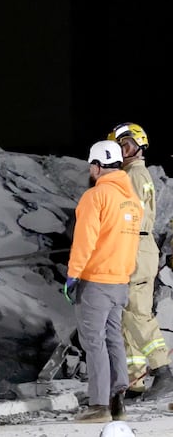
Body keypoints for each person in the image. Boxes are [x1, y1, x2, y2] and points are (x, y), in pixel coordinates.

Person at [63, 140, 141, 423]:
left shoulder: (95, 197)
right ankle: (117, 399)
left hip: (95, 281)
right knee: (113, 340)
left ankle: (98, 406)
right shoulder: (131, 200)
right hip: (120, 281)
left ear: (96, 166)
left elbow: (85, 241)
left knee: (93, 342)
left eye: (91, 166)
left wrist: (73, 275)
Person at [108, 122, 173, 400]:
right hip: (137, 245)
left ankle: (162, 369)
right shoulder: (136, 173)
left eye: (126, 145)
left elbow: (128, 217)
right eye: (118, 147)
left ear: (138, 145)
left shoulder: (132, 175)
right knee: (126, 313)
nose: (122, 152)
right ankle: (134, 380)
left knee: (136, 312)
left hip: (134, 244)